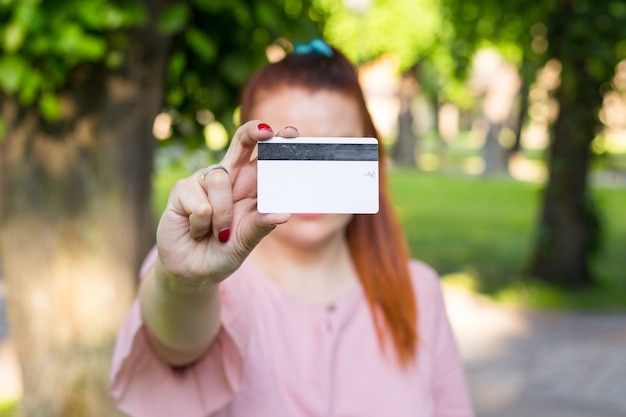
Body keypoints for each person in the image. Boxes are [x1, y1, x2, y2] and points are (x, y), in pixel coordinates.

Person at [110, 39, 474, 417]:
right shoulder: (205, 270)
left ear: (372, 158)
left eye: (335, 153)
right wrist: (183, 284)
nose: (313, 181)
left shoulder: (420, 292)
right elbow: (176, 337)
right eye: (290, 153)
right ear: (249, 154)